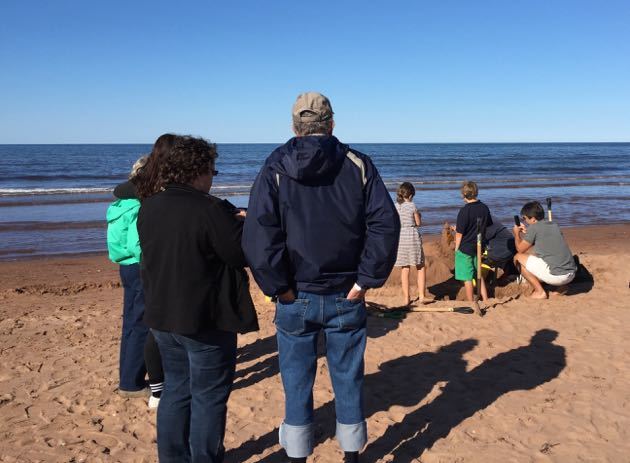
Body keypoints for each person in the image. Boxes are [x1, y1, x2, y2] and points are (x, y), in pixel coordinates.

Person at [243, 92, 400, 463]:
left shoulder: (281, 165)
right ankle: (349, 454)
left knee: (297, 380)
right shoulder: (350, 164)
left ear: (296, 127)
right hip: (317, 292)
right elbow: (384, 225)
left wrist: (363, 281)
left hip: (317, 294)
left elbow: (258, 234)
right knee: (347, 376)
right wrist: (282, 287)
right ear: (330, 124)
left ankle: (303, 454)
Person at [137, 135, 258, 463]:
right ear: (198, 170)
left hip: (162, 316)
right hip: (204, 319)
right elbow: (238, 254)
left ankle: (173, 458)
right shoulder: (210, 209)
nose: (212, 178)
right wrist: (244, 225)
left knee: (176, 391)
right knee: (208, 397)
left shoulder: (149, 206)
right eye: (212, 171)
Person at [107, 155, 156, 400]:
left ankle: (128, 377)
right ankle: (131, 383)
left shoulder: (120, 203)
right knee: (141, 324)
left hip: (126, 265)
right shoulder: (138, 205)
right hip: (139, 265)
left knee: (131, 322)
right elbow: (138, 242)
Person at [513, 201, 577, 299]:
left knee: (517, 258)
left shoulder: (534, 228)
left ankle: (540, 292)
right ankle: (561, 287)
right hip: (571, 274)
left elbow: (520, 250)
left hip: (558, 277)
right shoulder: (553, 225)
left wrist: (516, 234)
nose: (525, 221)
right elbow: (545, 242)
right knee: (535, 255)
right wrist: (529, 234)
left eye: (525, 218)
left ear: (533, 219)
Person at [454, 181, 492, 302]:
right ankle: (485, 299)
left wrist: (456, 248)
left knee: (467, 277)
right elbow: (488, 224)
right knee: (478, 273)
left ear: (463, 194)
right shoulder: (484, 208)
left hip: (465, 248)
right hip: (478, 246)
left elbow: (459, 234)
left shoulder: (464, 211)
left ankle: (471, 301)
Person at [394, 182, 426, 305]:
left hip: (401, 237)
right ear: (411, 195)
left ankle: (406, 298)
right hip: (412, 236)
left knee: (405, 268)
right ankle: (422, 296)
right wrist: (419, 216)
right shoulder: (412, 205)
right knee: (420, 266)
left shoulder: (396, 206)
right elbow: (418, 223)